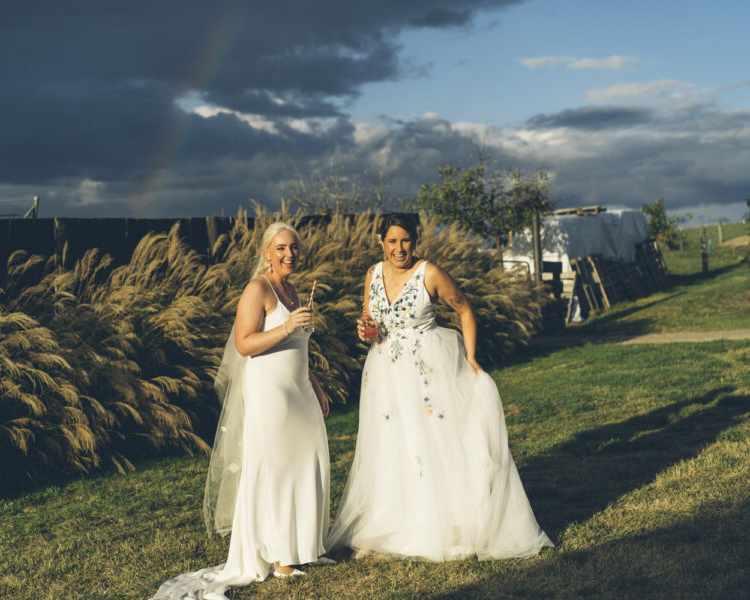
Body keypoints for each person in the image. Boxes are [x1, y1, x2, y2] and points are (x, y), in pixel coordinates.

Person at [326, 214, 553, 561]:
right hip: (384, 371)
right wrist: (365, 330)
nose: (399, 248)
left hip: (425, 371)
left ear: (414, 240)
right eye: (391, 241)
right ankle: (384, 521)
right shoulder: (372, 273)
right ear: (380, 241)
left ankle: (452, 522)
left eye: (405, 240)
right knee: (388, 443)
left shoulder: (429, 273)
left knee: (432, 440)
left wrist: (472, 357)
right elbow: (369, 319)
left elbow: (464, 309)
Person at [153, 222, 333, 600]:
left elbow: (297, 347)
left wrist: (316, 386)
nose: (289, 254)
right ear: (266, 252)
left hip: (298, 389)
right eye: (281, 248)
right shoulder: (258, 289)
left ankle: (303, 547)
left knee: (307, 461)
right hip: (270, 392)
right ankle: (281, 558)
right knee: (278, 468)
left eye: (294, 248)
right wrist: (286, 325)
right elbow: (244, 344)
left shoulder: (293, 289)